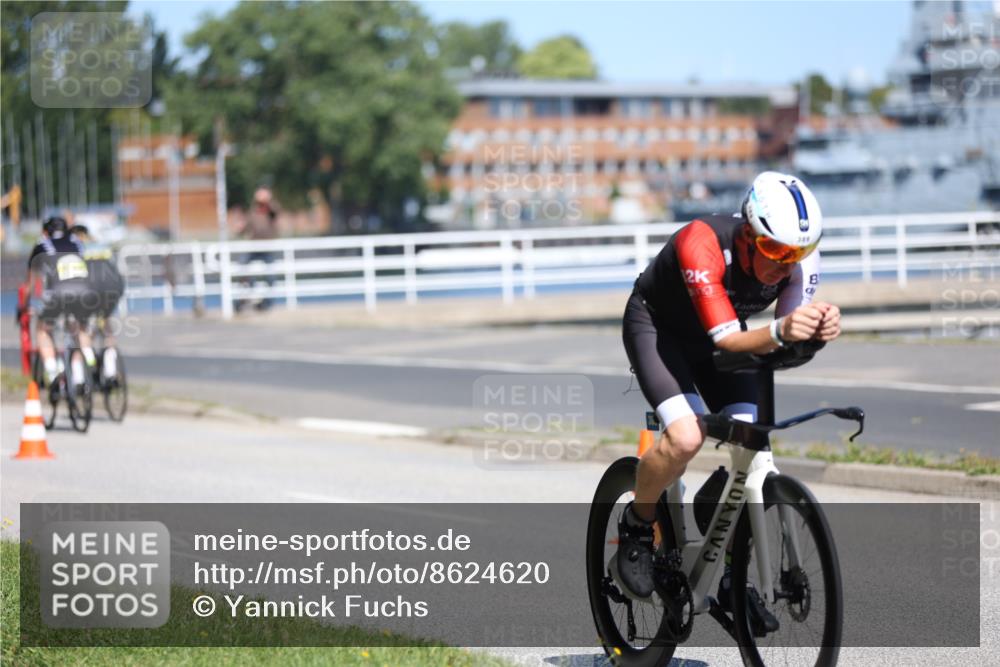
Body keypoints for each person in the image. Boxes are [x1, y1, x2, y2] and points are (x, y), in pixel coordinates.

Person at [616, 172, 841, 619]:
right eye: (775, 250)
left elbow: (783, 346)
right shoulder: (701, 242)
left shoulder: (797, 263)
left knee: (752, 448)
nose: (785, 264)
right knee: (684, 438)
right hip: (661, 333)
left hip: (727, 338)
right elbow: (729, 340)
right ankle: (637, 527)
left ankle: (731, 574)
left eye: (797, 253)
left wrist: (816, 333)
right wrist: (780, 330)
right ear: (748, 233)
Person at [26, 216, 101, 387]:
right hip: (85, 291)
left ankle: (52, 372)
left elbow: (31, 281)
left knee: (42, 330)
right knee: (78, 328)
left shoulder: (42, 245)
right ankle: (85, 362)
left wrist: (25, 303)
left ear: (46, 231)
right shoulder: (77, 242)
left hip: (58, 293)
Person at [70, 224, 125, 381]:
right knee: (105, 322)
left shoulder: (73, 248)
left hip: (89, 289)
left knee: (81, 326)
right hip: (114, 287)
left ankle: (86, 364)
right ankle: (110, 368)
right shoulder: (101, 245)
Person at [235, 187, 279, 311]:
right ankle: (244, 298)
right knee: (243, 269)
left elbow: (275, 211)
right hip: (253, 247)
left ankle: (267, 303)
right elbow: (243, 229)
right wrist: (239, 228)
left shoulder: (271, 211)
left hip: (267, 248)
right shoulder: (253, 213)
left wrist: (268, 200)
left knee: (271, 276)